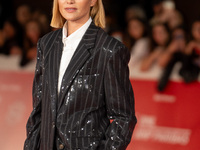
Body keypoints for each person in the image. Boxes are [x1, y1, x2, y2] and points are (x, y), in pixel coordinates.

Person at [24, 0, 137, 150]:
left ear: (93, 1)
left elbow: (124, 118)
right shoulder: (46, 44)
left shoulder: (109, 50)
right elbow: (38, 110)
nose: (70, 1)